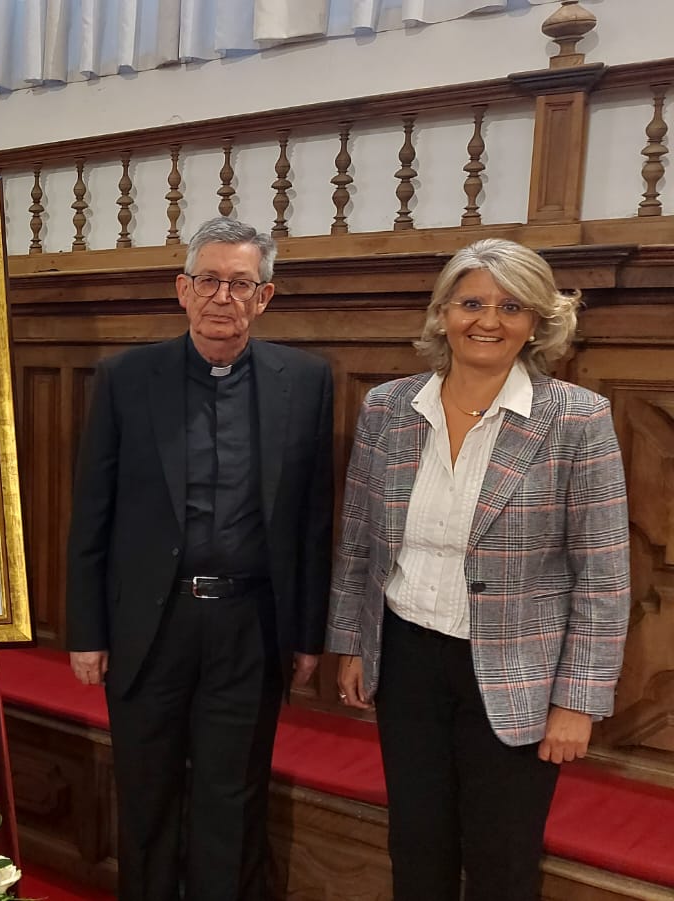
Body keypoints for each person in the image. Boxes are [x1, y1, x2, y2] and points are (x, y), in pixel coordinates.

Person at [328, 238, 630, 901]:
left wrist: (577, 699)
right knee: (416, 843)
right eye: (470, 302)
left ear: (536, 321)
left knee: (500, 858)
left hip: (517, 671)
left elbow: (604, 576)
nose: (487, 320)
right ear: (442, 313)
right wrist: (351, 642)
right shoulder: (388, 407)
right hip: (406, 659)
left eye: (510, 305)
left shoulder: (577, 419)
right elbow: (357, 541)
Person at [65, 216, 335, 900]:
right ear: (182, 290)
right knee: (147, 790)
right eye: (209, 280)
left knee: (232, 794)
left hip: (250, 624)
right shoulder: (127, 377)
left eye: (241, 283)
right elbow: (91, 511)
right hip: (152, 623)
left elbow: (312, 519)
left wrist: (308, 634)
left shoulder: (304, 382)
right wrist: (87, 630)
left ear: (265, 296)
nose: (223, 296)